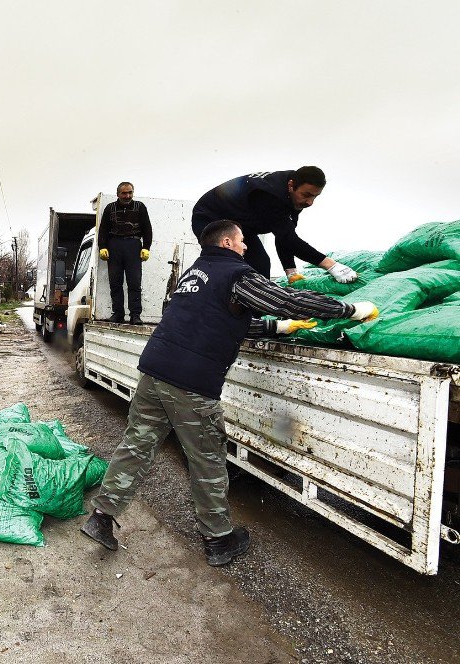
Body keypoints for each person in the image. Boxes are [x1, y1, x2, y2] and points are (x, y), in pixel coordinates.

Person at [81, 219, 379, 565]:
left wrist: (277, 327)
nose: (246, 246)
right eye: (241, 241)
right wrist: (350, 309)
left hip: (154, 373)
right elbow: (287, 300)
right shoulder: (236, 274)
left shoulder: (192, 275)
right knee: (207, 459)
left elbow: (218, 319)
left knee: (136, 445)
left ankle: (101, 517)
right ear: (226, 243)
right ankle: (218, 538)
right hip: (191, 384)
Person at [191, 167, 358, 284]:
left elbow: (283, 234)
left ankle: (255, 318)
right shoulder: (270, 195)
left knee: (261, 264)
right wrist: (331, 265)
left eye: (315, 197)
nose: (310, 202)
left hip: (241, 225)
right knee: (229, 264)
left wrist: (291, 271)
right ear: (291, 185)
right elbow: (289, 238)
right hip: (210, 219)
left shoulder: (293, 197)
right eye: (307, 195)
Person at [97, 182, 153, 325]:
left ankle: (135, 315)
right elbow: (103, 230)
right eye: (124, 193)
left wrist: (146, 247)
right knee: (115, 282)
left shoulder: (140, 207)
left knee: (134, 282)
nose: (127, 196)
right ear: (118, 194)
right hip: (114, 246)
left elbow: (147, 229)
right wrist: (102, 247)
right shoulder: (110, 208)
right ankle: (118, 314)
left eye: (130, 192)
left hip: (133, 246)